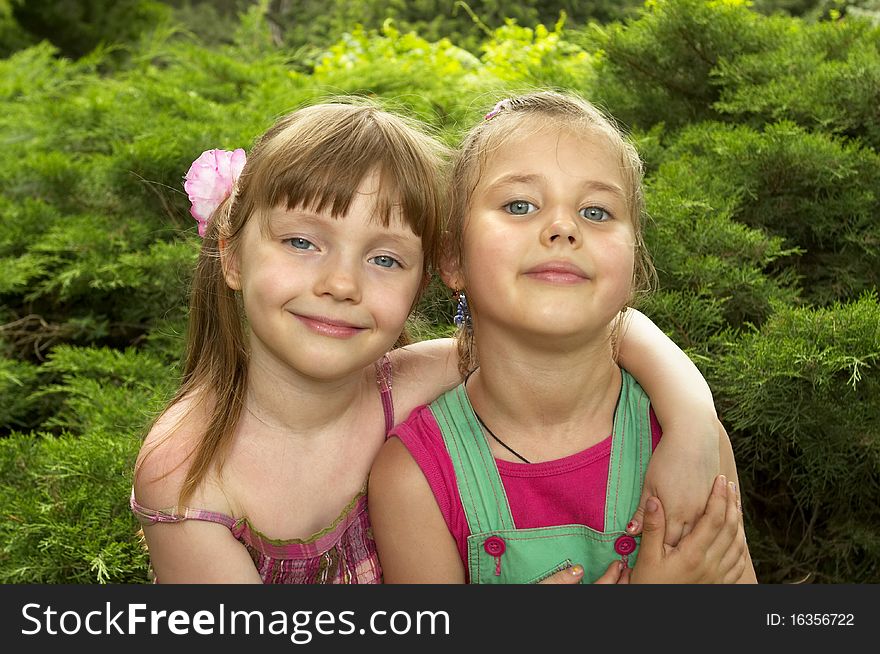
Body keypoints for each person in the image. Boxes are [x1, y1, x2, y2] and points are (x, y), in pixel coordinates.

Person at [131, 98, 732, 584]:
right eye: (300, 242)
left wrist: (691, 421)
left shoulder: (410, 381)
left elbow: (581, 331)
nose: (341, 283)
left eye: (385, 258)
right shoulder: (188, 472)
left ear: (427, 276)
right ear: (231, 253)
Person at [368, 91, 757, 584]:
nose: (562, 227)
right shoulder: (413, 476)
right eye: (519, 204)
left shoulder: (687, 443)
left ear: (633, 262)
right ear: (452, 258)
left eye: (596, 212)